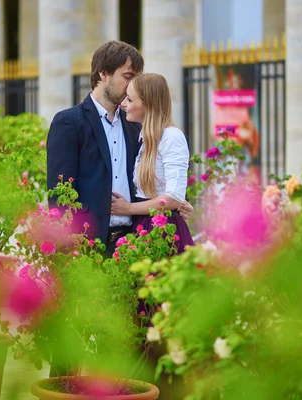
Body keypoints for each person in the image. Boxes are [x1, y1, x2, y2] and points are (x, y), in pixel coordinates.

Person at [46, 41, 192, 257]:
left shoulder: (135, 125)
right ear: (104, 73)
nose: (134, 84)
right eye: (128, 76)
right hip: (88, 245)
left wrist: (175, 203)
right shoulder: (69, 122)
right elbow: (59, 193)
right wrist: (68, 245)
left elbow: (151, 176)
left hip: (134, 240)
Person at [111, 73, 194, 252]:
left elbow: (173, 197)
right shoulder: (145, 138)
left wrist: (128, 208)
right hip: (143, 226)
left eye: (130, 100)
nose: (123, 104)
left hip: (163, 229)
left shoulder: (171, 136)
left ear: (148, 104)